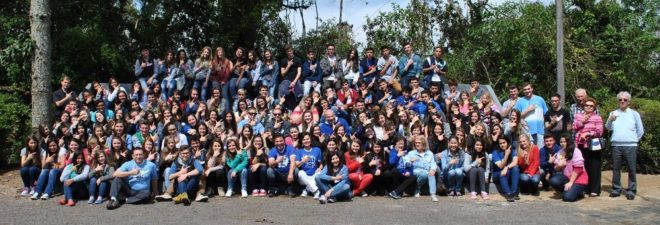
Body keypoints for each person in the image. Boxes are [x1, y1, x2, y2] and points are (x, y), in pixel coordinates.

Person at [606, 91, 644, 200]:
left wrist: (633, 140)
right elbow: (608, 128)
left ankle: (631, 190)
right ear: (618, 101)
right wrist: (610, 120)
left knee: (631, 169)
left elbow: (640, 130)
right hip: (616, 145)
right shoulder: (613, 113)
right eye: (620, 99)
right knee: (616, 169)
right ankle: (616, 189)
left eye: (625, 100)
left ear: (628, 102)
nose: (622, 101)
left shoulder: (634, 114)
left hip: (631, 146)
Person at [572, 97, 603, 197]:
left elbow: (599, 131)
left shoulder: (597, 117)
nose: (589, 107)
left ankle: (595, 189)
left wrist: (588, 133)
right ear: (583, 106)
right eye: (587, 105)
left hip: (593, 145)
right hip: (580, 145)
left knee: (594, 167)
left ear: (594, 108)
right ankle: (585, 188)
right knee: (583, 167)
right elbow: (574, 127)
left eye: (591, 106)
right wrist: (582, 122)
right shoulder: (578, 116)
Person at [550, 136, 588, 202]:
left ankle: (578, 192)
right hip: (567, 177)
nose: (563, 143)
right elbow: (556, 169)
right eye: (561, 142)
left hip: (579, 179)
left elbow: (578, 168)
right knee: (553, 180)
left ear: (569, 142)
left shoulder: (576, 151)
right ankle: (569, 191)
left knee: (568, 198)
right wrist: (559, 165)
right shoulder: (559, 152)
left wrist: (571, 182)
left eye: (565, 142)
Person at [405, 136, 438, 202]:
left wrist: (433, 169)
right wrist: (410, 161)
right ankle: (417, 188)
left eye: (419, 143)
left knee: (431, 174)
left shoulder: (429, 153)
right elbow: (406, 164)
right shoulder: (411, 153)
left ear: (424, 144)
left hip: (426, 171)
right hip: (415, 172)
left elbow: (433, 163)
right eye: (416, 143)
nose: (417, 144)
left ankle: (433, 194)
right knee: (423, 174)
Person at [295, 133, 323, 199]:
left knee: (319, 174)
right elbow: (296, 165)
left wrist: (320, 168)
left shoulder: (317, 150)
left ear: (310, 140)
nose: (306, 141)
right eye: (304, 139)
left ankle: (307, 189)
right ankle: (316, 191)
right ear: (301, 142)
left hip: (314, 175)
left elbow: (321, 163)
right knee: (300, 173)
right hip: (304, 176)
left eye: (307, 139)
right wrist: (303, 161)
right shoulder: (299, 151)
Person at [492, 136, 520, 202]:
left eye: (504, 142)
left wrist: (507, 167)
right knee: (502, 173)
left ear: (507, 142)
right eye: (500, 143)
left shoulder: (513, 150)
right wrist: (506, 155)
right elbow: (501, 166)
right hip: (497, 174)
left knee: (515, 168)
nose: (502, 145)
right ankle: (508, 193)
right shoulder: (495, 152)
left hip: (508, 172)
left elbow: (515, 162)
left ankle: (514, 192)